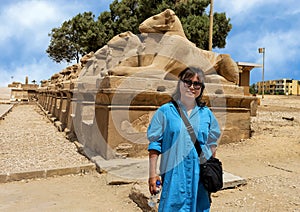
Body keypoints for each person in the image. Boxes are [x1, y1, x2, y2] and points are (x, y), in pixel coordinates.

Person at [147, 66, 221, 211]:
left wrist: (210, 172)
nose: (192, 87)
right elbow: (155, 144)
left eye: (197, 84)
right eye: (188, 82)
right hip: (174, 175)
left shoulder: (206, 114)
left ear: (201, 88)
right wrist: (152, 174)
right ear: (180, 84)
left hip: (199, 177)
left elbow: (212, 144)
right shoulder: (165, 111)